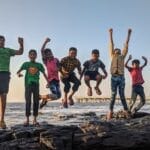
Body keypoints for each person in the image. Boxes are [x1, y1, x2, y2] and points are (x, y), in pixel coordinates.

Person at [17, 50, 49, 126]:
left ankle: (35, 119)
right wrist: (19, 74)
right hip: (28, 85)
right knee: (28, 102)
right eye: (31, 54)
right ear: (29, 56)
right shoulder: (26, 64)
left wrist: (48, 82)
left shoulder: (39, 65)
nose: (32, 56)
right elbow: (18, 71)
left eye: (34, 55)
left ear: (36, 56)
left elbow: (44, 74)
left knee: (36, 102)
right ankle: (27, 120)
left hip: (36, 85)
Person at [107, 28, 132, 120]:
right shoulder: (112, 55)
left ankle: (126, 111)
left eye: (118, 50)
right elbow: (111, 44)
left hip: (121, 78)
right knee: (113, 95)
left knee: (122, 95)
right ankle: (110, 111)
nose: (117, 50)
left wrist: (128, 34)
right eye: (116, 50)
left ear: (120, 52)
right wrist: (110, 34)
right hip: (113, 77)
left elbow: (126, 45)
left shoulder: (122, 57)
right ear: (114, 52)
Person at [0, 36, 24, 129]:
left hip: (5, 74)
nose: (1, 42)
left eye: (3, 40)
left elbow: (20, 52)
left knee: (3, 96)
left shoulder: (8, 50)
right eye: (0, 40)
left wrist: (21, 44)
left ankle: (2, 120)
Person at [39, 38, 61, 109]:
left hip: (57, 80)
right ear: (45, 56)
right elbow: (42, 50)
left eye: (50, 53)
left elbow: (59, 68)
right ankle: (40, 96)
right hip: (51, 80)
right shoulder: (46, 61)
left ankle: (45, 99)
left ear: (52, 53)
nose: (49, 55)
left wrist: (60, 70)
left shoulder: (56, 60)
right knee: (54, 95)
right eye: (47, 54)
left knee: (58, 96)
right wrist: (45, 42)